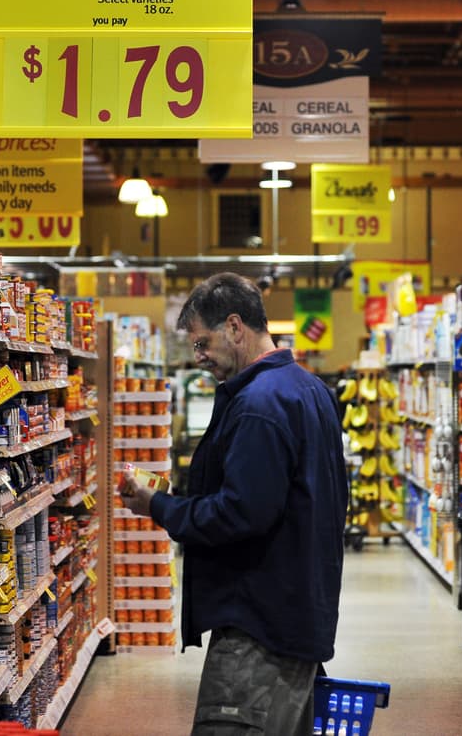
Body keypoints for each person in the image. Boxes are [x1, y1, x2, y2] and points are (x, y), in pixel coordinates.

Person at [118, 272, 348, 735]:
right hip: (296, 614)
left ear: (235, 327)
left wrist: (158, 507)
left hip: (258, 628)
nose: (199, 358)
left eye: (203, 343)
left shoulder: (260, 405)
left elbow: (240, 514)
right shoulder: (309, 390)